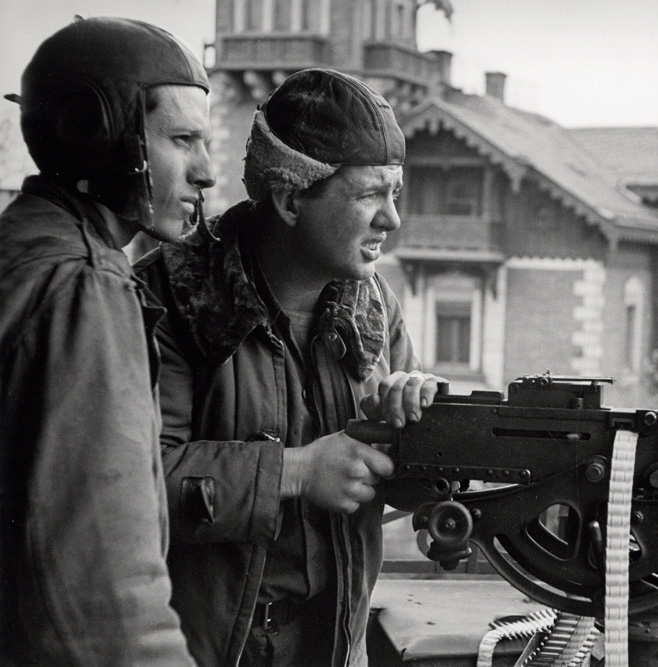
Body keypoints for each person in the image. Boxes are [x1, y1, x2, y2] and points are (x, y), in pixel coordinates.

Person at [135, 67, 446, 667]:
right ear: (290, 198)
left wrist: (412, 433)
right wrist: (298, 471)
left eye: (395, 195)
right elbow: (133, 488)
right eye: (368, 196)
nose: (392, 219)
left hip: (334, 647)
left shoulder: (374, 304)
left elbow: (390, 490)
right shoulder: (168, 298)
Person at [0, 16, 215, 666]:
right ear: (102, 138)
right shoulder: (86, 285)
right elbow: (109, 603)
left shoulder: (23, 248)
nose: (206, 171)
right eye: (182, 139)